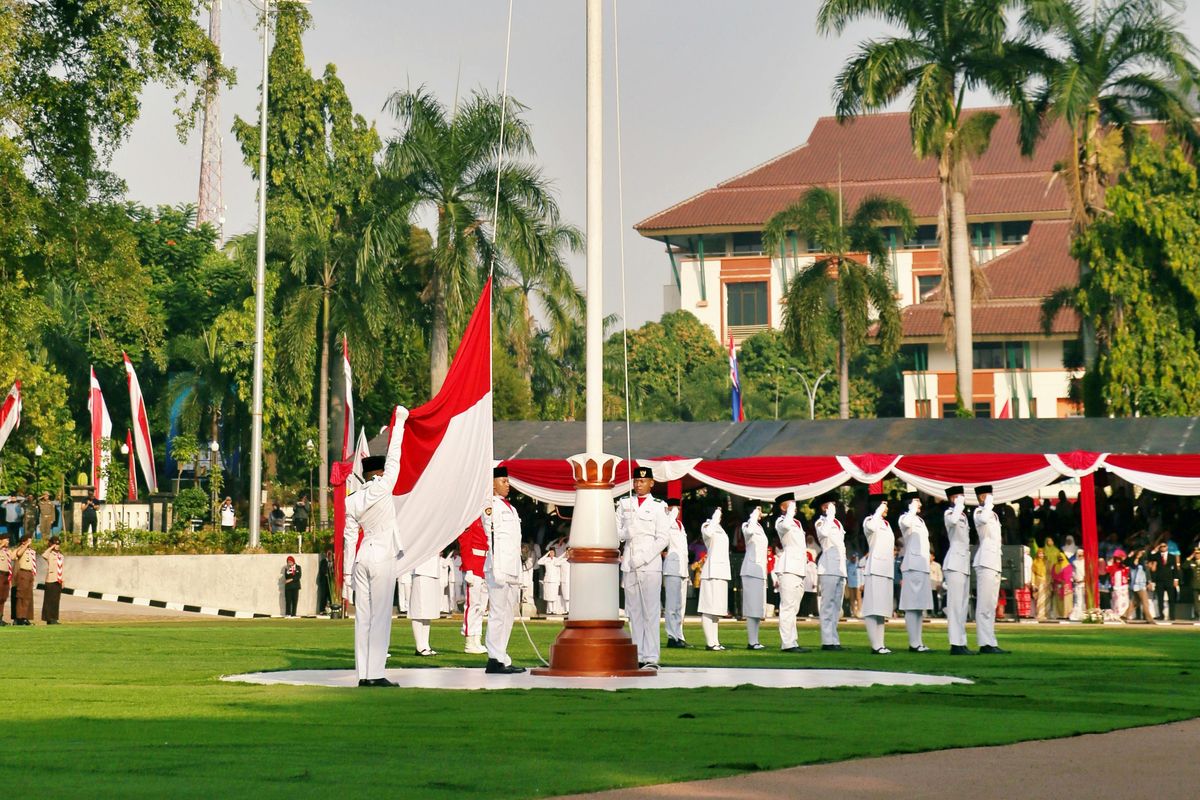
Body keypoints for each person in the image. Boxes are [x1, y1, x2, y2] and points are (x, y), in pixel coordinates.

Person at [342, 404, 407, 687]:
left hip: (361, 558)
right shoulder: (382, 487)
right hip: (382, 556)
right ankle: (376, 673)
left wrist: (346, 575)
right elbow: (395, 456)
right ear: (378, 473)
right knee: (381, 617)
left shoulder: (352, 500)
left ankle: (363, 675)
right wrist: (400, 422)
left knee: (363, 619)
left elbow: (348, 538)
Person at [615, 466, 671, 670]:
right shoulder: (624, 503)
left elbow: (663, 538)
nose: (638, 485)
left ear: (651, 483)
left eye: (643, 481)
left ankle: (651, 656)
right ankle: (637, 654)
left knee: (650, 611)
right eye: (636, 481)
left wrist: (643, 558)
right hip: (629, 564)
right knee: (634, 612)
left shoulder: (658, 506)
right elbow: (614, 533)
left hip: (650, 565)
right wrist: (626, 533)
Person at [481, 465, 525, 674]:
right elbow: (491, 538)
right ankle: (494, 658)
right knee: (498, 613)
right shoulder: (490, 506)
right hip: (498, 567)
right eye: (503, 481)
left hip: (511, 568)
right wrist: (496, 567)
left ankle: (502, 656)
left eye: (507, 481)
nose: (507, 485)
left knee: (508, 615)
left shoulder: (511, 508)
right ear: (492, 484)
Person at [972, 485, 1008, 653]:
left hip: (994, 561)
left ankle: (991, 641)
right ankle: (984, 643)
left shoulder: (992, 513)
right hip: (985, 561)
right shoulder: (980, 512)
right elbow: (983, 520)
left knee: (991, 604)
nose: (991, 498)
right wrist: (987, 504)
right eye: (988, 495)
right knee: (984, 604)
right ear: (981, 497)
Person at [897, 492, 933, 652]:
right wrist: (911, 509)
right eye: (917, 501)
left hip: (922, 565)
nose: (920, 505)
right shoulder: (906, 518)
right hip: (912, 565)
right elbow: (905, 523)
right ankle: (913, 642)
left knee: (919, 605)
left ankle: (918, 641)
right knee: (911, 605)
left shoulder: (919, 520)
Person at [774, 493, 809, 653]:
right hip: (788, 567)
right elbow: (786, 527)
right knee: (787, 607)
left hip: (799, 568)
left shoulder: (797, 523)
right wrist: (789, 511)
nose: (795, 507)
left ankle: (793, 641)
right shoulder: (781, 521)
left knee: (794, 608)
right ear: (783, 507)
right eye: (790, 504)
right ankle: (787, 643)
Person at [862, 493, 895, 655]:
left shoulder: (886, 524)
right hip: (875, 568)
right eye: (884, 505)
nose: (886, 508)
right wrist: (878, 510)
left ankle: (880, 644)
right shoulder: (870, 520)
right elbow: (871, 528)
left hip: (886, 569)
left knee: (882, 610)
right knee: (871, 608)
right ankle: (875, 645)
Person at [814, 493, 847, 651]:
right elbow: (824, 533)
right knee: (827, 605)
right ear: (824, 507)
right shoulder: (821, 522)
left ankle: (834, 640)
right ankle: (827, 641)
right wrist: (830, 515)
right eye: (831, 504)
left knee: (837, 606)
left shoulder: (837, 522)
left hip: (840, 568)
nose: (835, 507)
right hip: (828, 567)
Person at [943, 486, 973, 655]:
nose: (963, 499)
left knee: (962, 606)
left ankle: (962, 642)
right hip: (954, 562)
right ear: (953, 498)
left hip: (963, 563)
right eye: (959, 496)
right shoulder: (949, 513)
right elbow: (953, 522)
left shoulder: (962, 515)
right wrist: (959, 504)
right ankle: (955, 643)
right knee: (954, 605)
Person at [698, 507, 730, 651]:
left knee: (716, 610)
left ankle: (715, 641)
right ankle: (710, 642)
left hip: (722, 571)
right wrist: (715, 516)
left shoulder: (720, 528)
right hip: (711, 571)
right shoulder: (707, 525)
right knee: (707, 608)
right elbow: (709, 533)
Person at [458, 518, 489, 654]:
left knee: (481, 607)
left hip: (486, 564)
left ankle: (477, 639)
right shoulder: (470, 517)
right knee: (472, 605)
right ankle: (469, 641)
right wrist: (468, 568)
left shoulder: (487, 518)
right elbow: (465, 542)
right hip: (474, 563)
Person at [739, 505, 768, 650]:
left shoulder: (759, 527)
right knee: (751, 608)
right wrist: (754, 515)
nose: (761, 513)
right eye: (758, 510)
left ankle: (755, 640)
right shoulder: (747, 525)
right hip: (750, 570)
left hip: (759, 570)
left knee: (757, 608)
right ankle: (752, 641)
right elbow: (749, 531)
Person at [662, 498, 690, 649]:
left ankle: (679, 635)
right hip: (672, 568)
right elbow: (662, 532)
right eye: (674, 508)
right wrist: (671, 514)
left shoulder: (680, 525)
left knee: (680, 606)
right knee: (672, 605)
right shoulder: (666, 522)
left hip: (682, 568)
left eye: (678, 509)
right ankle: (671, 636)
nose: (676, 511)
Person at [408, 553, 442, 656]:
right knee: (418, 610)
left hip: (433, 570)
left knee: (428, 611)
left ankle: (425, 645)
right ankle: (419, 646)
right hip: (421, 569)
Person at [11, 535, 35, 625]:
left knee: (28, 597)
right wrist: (24, 545)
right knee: (21, 596)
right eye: (28, 541)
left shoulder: (31, 551)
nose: (30, 542)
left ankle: (26, 617)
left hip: (30, 573)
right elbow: (17, 555)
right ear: (23, 541)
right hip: (22, 573)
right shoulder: (21, 549)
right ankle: (19, 617)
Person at [40, 536, 63, 625]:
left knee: (56, 600)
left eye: (58, 544)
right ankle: (48, 618)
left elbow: (61, 568)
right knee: (49, 600)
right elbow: (44, 555)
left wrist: (63, 580)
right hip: (51, 579)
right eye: (55, 544)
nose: (57, 546)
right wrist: (51, 547)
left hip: (58, 579)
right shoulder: (50, 554)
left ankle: (54, 618)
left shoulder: (60, 556)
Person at [537, 547, 563, 615]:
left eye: (552, 552)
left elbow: (558, 570)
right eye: (550, 552)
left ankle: (554, 610)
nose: (551, 554)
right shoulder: (546, 559)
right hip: (547, 580)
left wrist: (558, 581)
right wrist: (547, 554)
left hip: (554, 580)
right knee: (548, 596)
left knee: (554, 596)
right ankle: (550, 610)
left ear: (554, 553)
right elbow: (539, 562)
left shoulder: (556, 560)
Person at [1051, 550, 1074, 620]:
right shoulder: (1055, 565)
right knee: (1058, 601)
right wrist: (1059, 580)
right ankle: (1059, 615)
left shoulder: (1068, 565)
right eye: (1059, 558)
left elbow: (1069, 575)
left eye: (1061, 558)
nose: (1060, 559)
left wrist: (1063, 581)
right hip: (1057, 585)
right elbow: (1053, 574)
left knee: (1067, 600)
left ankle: (1066, 615)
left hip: (1066, 585)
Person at [1032, 549, 1049, 620]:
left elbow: (1049, 573)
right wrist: (1033, 584)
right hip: (1037, 582)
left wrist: (1048, 581)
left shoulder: (1047, 562)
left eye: (1042, 553)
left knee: (1044, 599)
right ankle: (1039, 614)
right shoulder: (1035, 562)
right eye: (1039, 553)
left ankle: (1045, 614)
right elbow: (1033, 573)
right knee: (1038, 599)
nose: (1041, 555)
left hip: (1045, 582)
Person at [316, 549, 333, 615]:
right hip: (324, 582)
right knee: (323, 596)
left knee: (331, 597)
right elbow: (322, 571)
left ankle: (332, 609)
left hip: (331, 583)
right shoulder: (323, 562)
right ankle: (322, 610)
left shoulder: (333, 561)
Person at [0, 532, 10, 625]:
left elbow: (15, 555)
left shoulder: (7, 551)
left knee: (3, 597)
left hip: (6, 576)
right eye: (6, 539)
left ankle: (0, 617)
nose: (8, 541)